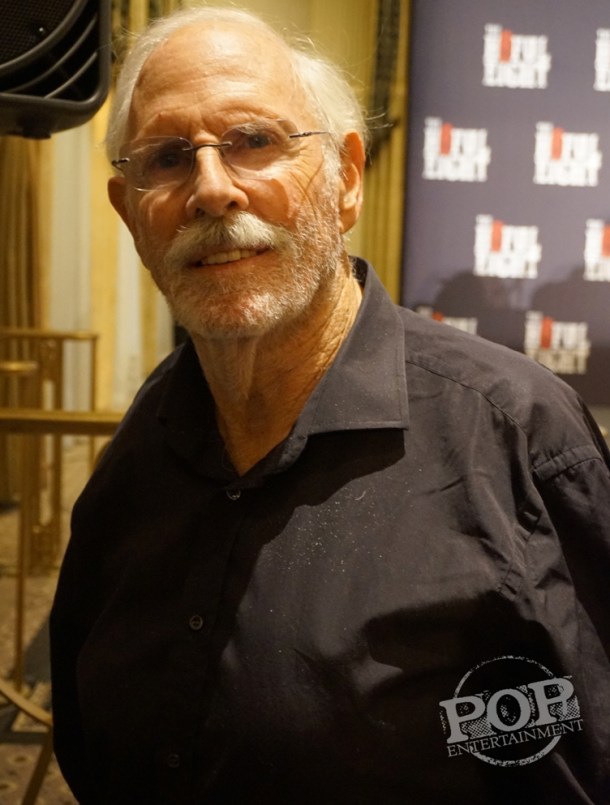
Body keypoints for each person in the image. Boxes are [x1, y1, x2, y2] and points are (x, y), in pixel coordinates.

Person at [49, 6, 610, 804]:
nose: (212, 189)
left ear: (346, 178)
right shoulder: (145, 440)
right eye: (168, 158)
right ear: (129, 211)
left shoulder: (515, 434)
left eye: (253, 140)